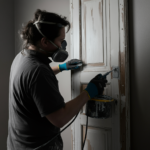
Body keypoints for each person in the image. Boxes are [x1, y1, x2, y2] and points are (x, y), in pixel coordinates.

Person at [7, 9, 107, 150]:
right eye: (60, 41)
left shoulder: (22, 57)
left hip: (18, 144)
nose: (62, 46)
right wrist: (88, 92)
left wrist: (61, 67)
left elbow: (33, 82)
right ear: (45, 41)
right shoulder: (38, 72)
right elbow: (60, 118)